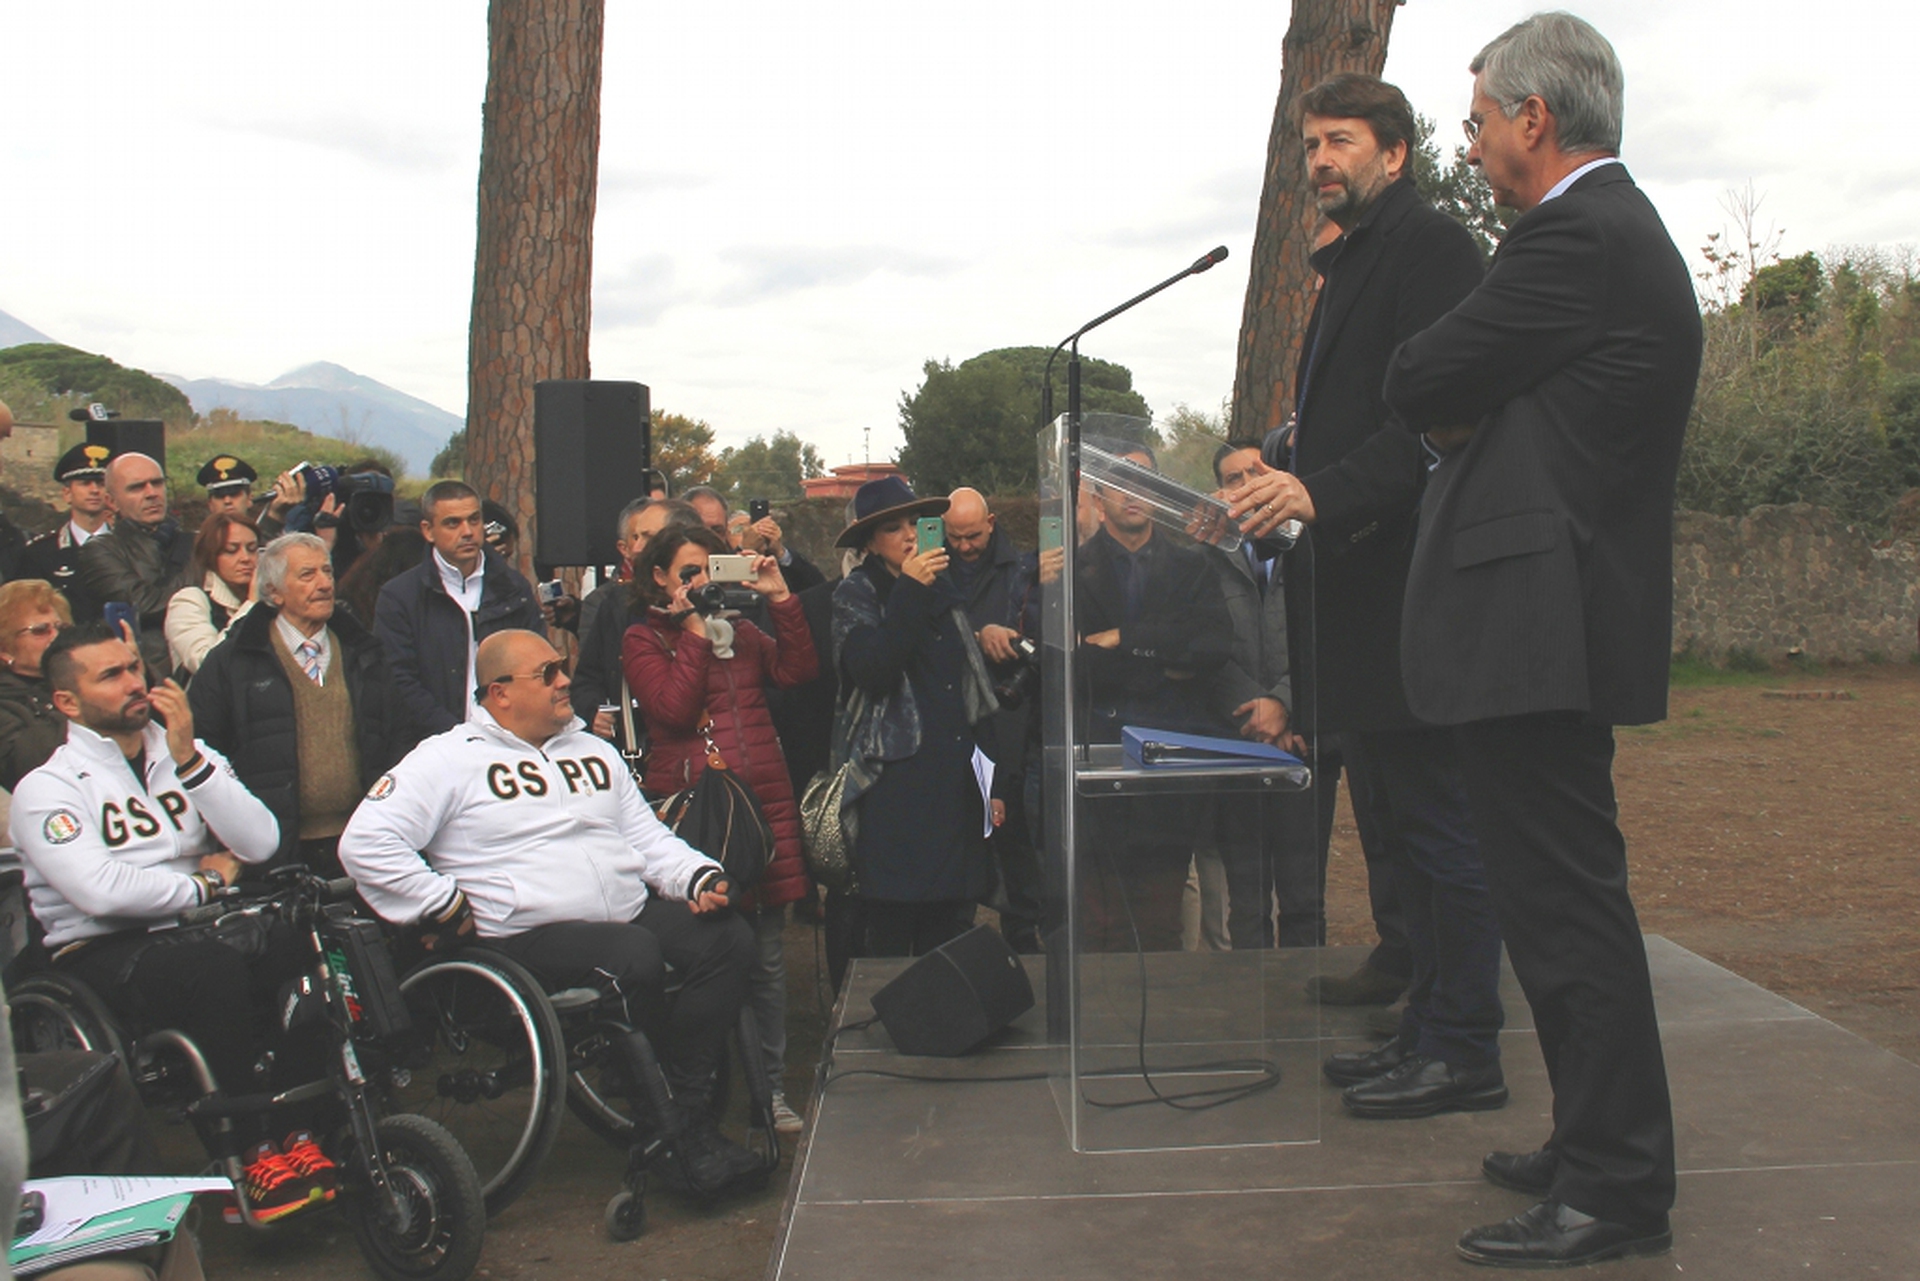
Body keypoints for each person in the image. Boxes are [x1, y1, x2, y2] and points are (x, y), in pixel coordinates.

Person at [1381, 14, 1700, 1268]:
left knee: (1567, 918)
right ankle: (1591, 1142)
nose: (1471, 142)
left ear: (1532, 118)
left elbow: (1419, 375)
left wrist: (1473, 395)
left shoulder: (1576, 233)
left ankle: (1619, 1185)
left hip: (1537, 629)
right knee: (1553, 908)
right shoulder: (1603, 243)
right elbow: (1473, 388)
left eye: (1473, 120)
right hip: (1543, 625)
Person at [1230, 71, 1506, 1123]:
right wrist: (1267, 471)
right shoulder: (1347, 265)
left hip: (1405, 588)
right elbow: (1340, 421)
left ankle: (1466, 1045)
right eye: (1309, 146)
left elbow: (1440, 421)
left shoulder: (1430, 249)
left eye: (1338, 141)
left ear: (1395, 153)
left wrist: (1319, 488)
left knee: (1439, 829)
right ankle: (1429, 1023)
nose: (1318, 163)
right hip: (1348, 593)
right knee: (1395, 829)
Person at [337, 628, 762, 1196]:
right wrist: (439, 901)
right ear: (499, 693)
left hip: (624, 915)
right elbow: (365, 843)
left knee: (727, 937)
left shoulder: (592, 751)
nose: (565, 682)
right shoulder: (446, 760)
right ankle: (675, 1126)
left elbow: (646, 839)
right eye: (548, 673)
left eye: (563, 668)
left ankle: (682, 1113)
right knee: (633, 954)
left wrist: (698, 876)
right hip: (523, 937)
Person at [7, 622, 332, 1222]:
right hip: (103, 949)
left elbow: (260, 843)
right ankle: (250, 1148)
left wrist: (189, 762)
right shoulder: (45, 789)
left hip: (198, 925)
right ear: (67, 703)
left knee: (299, 940)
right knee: (210, 969)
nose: (137, 683)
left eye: (135, 667)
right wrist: (204, 884)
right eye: (112, 675)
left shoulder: (184, 751)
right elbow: (99, 892)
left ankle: (303, 1132)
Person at [623, 523, 818, 1135]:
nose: (702, 581)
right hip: (697, 811)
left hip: (764, 804)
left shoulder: (742, 629)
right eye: (688, 572)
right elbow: (672, 711)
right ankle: (699, 1095)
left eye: (710, 569)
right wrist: (691, 633)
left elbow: (798, 672)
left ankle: (771, 1090)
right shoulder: (642, 638)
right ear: (659, 577)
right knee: (705, 958)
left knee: (765, 957)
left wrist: (781, 598)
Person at [830, 477, 1007, 957]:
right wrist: (908, 589)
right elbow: (873, 670)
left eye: (918, 524)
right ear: (869, 541)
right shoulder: (858, 592)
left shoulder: (943, 589)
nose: (910, 536)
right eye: (894, 528)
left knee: (947, 930)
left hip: (952, 785)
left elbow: (969, 690)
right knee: (889, 932)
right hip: (895, 791)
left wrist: (993, 785)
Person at [1072, 442, 1234, 951]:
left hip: (1172, 762)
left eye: (1144, 480)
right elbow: (1073, 664)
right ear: (1099, 498)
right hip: (1098, 756)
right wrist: (1167, 659)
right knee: (1101, 922)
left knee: (1162, 921)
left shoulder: (1192, 567)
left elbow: (1213, 647)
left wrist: (1124, 638)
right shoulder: (1070, 570)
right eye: (1119, 481)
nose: (1133, 493)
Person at [190, 533, 414, 877]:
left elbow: (398, 737)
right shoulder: (232, 662)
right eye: (307, 575)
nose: (324, 584)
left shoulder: (365, 653)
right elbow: (204, 749)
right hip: (275, 851)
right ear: (274, 592)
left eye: (327, 572)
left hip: (360, 840)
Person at [943, 487, 1044, 953]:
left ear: (992, 523)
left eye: (973, 536)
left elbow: (1038, 631)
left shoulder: (1021, 571)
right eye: (955, 537)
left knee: (1015, 836)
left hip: (1008, 713)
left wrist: (1010, 637)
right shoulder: (934, 569)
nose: (964, 547)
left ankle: (1024, 931)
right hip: (953, 712)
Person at [374, 479, 542, 737]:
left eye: (474, 520)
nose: (467, 531)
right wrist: (455, 736)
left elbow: (535, 666)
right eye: (453, 523)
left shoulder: (514, 590)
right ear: (428, 531)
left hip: (507, 743)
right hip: (430, 746)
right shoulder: (399, 597)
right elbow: (399, 681)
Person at [570, 497, 699, 744]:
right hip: (635, 754)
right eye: (635, 537)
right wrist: (593, 710)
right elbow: (587, 678)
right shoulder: (617, 603)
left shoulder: (721, 604)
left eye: (649, 537)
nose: (637, 548)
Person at [76, 453, 195, 674]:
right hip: (145, 671)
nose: (152, 494)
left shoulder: (194, 542)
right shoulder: (101, 549)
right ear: (111, 502)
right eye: (137, 488)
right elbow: (143, 604)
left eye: (157, 483)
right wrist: (204, 571)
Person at [19, 442, 115, 620]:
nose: (94, 490)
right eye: (85, 484)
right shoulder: (40, 554)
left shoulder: (130, 546)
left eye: (101, 483)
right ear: (67, 494)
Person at [164, 512, 261, 679]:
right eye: (231, 550)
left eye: (252, 549)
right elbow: (206, 663)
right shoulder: (188, 601)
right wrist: (252, 606)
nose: (246, 558)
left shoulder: (269, 599)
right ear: (210, 556)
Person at [0, 579, 73, 790]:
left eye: (61, 627)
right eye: (40, 630)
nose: (56, 636)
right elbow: (27, 765)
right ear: (5, 649)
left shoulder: (81, 678)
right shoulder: (5, 704)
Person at [196, 455, 259, 523]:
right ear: (210, 505)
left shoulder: (262, 532)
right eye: (219, 496)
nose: (227, 501)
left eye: (234, 494)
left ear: (249, 499)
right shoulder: (204, 534)